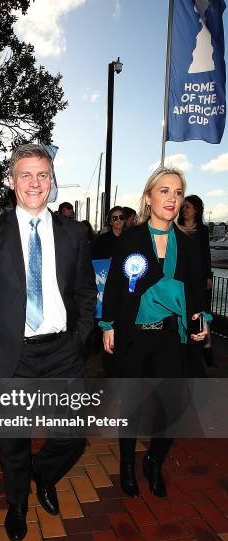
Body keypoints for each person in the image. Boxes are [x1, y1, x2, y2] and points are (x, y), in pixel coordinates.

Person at [0, 143, 96, 541]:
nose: (34, 182)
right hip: (9, 355)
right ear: (11, 182)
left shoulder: (74, 233)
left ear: (51, 181)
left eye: (42, 175)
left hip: (62, 352)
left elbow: (86, 295)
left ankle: (44, 474)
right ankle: (18, 503)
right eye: (25, 174)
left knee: (74, 431)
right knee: (13, 440)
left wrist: (79, 340)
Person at [100, 167, 209, 499]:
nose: (172, 199)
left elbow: (197, 293)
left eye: (177, 193)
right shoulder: (131, 239)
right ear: (149, 197)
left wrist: (201, 321)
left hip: (169, 338)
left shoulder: (188, 244)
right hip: (133, 335)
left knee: (172, 406)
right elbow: (117, 287)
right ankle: (127, 467)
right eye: (164, 191)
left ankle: (153, 460)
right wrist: (108, 325)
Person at [178, 194, 214, 367]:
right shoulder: (177, 227)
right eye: (183, 206)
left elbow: (206, 254)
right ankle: (184, 347)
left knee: (201, 314)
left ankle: (205, 350)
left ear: (196, 210)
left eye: (188, 207)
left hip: (199, 278)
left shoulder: (203, 230)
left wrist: (208, 276)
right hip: (182, 278)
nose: (184, 209)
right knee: (183, 311)